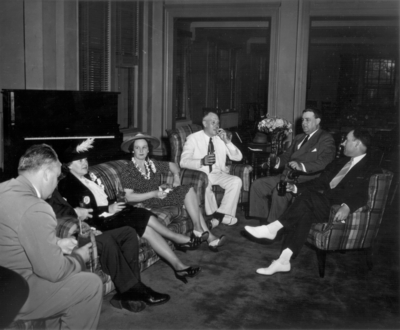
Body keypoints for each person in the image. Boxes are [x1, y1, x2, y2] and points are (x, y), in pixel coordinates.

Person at [57, 138, 201, 283]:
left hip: (110, 213)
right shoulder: (67, 184)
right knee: (141, 215)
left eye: (85, 160)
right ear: (69, 165)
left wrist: (114, 204)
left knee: (146, 227)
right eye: (80, 161)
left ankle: (178, 266)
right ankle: (176, 238)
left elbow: (103, 198)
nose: (85, 163)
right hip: (100, 221)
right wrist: (108, 208)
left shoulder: (87, 177)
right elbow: (83, 211)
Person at [245, 129, 379, 275]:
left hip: (337, 210)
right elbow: (320, 182)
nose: (342, 143)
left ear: (357, 143)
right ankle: (283, 261)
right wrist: (296, 187)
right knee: (305, 211)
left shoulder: (370, 167)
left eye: (346, 140)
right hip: (322, 204)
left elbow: (365, 193)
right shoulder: (340, 161)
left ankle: (272, 229)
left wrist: (347, 206)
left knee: (308, 199)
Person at [0, 144, 102, 329]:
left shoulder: (4, 189)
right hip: (14, 292)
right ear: (46, 173)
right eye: (56, 177)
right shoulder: (37, 207)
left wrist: (56, 242)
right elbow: (54, 272)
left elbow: (15, 234)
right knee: (90, 284)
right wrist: (79, 257)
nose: (56, 183)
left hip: (5, 277)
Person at [47, 189, 170, 312]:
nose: (59, 173)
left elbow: (71, 211)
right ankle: (138, 290)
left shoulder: (54, 189)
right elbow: (53, 217)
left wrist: (87, 225)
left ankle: (130, 293)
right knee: (107, 240)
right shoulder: (37, 197)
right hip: (69, 236)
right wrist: (76, 217)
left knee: (128, 232)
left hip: (85, 227)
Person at [120, 133, 226, 252]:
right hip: (144, 203)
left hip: (158, 197)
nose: (141, 150)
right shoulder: (128, 170)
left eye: (144, 147)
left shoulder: (152, 164)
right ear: (132, 150)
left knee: (189, 190)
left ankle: (203, 232)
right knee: (188, 196)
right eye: (137, 147)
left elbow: (173, 165)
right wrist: (154, 193)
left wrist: (176, 177)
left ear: (148, 149)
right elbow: (129, 197)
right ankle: (206, 234)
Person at [249, 108, 336, 225]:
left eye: (307, 120)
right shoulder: (299, 138)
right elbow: (287, 156)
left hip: (304, 180)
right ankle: (263, 221)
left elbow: (325, 161)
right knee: (258, 185)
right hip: (286, 176)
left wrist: (302, 166)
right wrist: (277, 161)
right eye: (302, 120)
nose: (303, 123)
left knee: (279, 191)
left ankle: (275, 228)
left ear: (317, 121)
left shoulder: (325, 138)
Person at [180, 112, 243, 229]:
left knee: (236, 181)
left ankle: (218, 217)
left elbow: (238, 157)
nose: (217, 126)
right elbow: (183, 161)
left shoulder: (220, 138)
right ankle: (220, 216)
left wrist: (227, 142)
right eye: (213, 122)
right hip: (202, 174)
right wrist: (201, 161)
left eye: (218, 123)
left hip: (218, 173)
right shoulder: (193, 139)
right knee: (206, 183)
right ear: (205, 123)